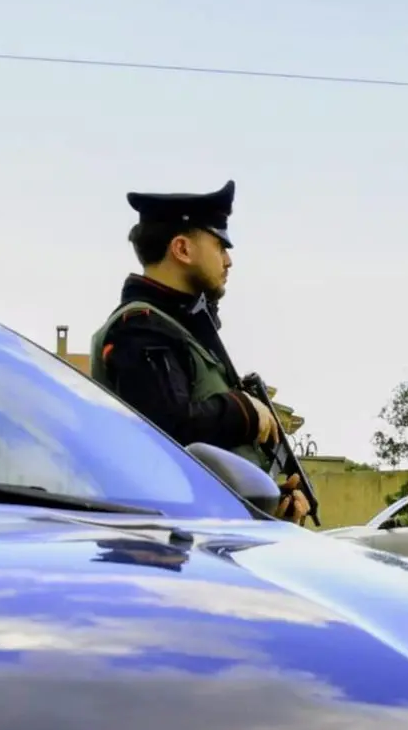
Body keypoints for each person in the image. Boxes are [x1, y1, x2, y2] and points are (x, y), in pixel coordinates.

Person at [90, 181, 312, 524]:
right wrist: (243, 412)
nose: (228, 260)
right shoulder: (140, 328)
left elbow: (205, 458)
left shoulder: (180, 329)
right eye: (220, 246)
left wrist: (265, 503)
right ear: (182, 249)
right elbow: (168, 429)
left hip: (203, 537)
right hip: (166, 543)